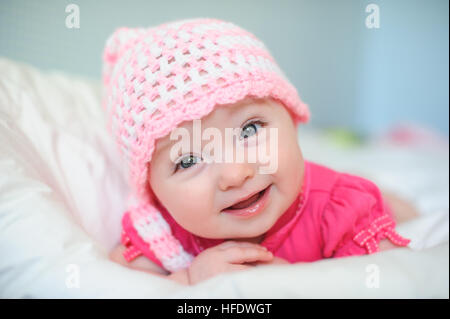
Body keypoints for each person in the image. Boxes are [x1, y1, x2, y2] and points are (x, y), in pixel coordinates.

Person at [103, 18, 417, 286]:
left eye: (250, 129)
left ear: (291, 120)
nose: (235, 174)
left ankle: (388, 197)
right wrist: (187, 280)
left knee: (380, 201)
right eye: (188, 160)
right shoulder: (163, 231)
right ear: (153, 190)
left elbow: (397, 279)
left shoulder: (339, 209)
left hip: (333, 197)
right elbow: (119, 286)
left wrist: (301, 282)